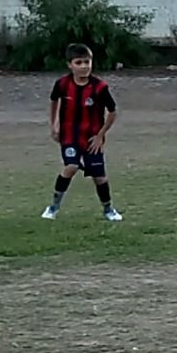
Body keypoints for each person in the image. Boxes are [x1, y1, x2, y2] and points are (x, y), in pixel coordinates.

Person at [42, 43, 122, 221]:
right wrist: (54, 125)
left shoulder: (99, 87)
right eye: (79, 62)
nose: (84, 66)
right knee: (70, 166)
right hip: (69, 136)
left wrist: (100, 135)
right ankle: (53, 207)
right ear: (70, 65)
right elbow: (54, 101)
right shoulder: (62, 84)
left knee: (99, 176)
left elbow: (113, 112)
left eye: (87, 62)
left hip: (92, 138)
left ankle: (108, 209)